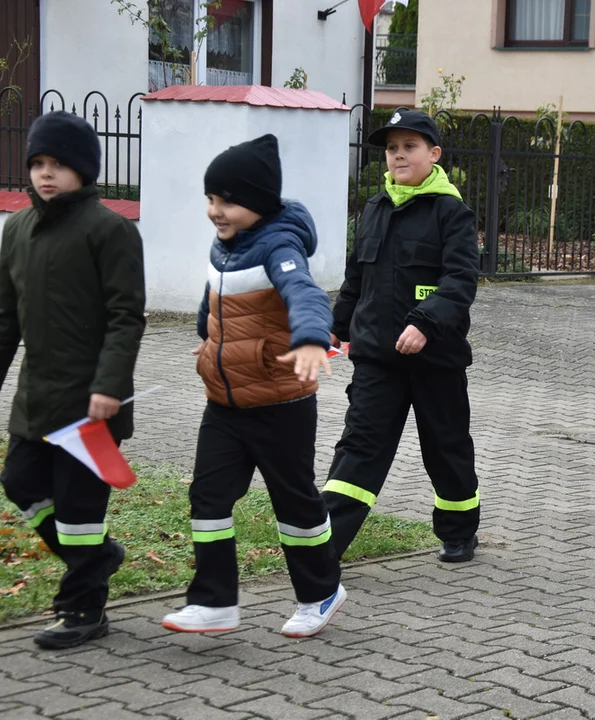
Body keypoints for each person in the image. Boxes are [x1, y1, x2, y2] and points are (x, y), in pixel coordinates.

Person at [162, 134, 345, 638]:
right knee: (208, 496)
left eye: (227, 201)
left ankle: (320, 592)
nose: (214, 210)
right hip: (224, 403)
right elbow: (214, 301)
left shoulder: (279, 246)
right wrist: (206, 338)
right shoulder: (225, 246)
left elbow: (304, 294)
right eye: (210, 198)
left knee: (294, 504)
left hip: (279, 402)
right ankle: (215, 601)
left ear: (259, 203)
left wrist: (310, 339)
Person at [0, 112, 146, 649]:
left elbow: (126, 315)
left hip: (92, 405)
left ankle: (84, 608)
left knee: (80, 510)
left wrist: (109, 385)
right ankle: (99, 556)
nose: (45, 173)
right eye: (37, 163)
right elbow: (4, 319)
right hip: (37, 399)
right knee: (19, 481)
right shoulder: (15, 230)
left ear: (83, 169)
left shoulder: (110, 230)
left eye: (58, 164)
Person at [321, 110, 482, 563]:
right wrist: (335, 327)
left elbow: (460, 281)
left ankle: (459, 530)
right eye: (392, 148)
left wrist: (424, 323)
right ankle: (325, 545)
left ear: (433, 154)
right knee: (359, 448)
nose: (398, 155)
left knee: (445, 448)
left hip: (437, 359)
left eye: (409, 146)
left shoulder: (452, 212)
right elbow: (357, 278)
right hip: (377, 357)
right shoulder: (375, 208)